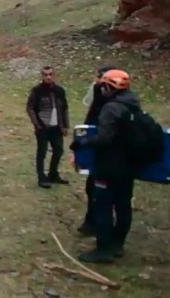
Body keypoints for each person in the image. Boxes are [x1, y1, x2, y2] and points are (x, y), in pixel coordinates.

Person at [71, 70, 141, 264]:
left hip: (109, 165)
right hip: (128, 165)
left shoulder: (111, 108)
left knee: (102, 205)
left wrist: (82, 143)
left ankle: (103, 249)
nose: (101, 89)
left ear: (110, 86)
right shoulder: (133, 104)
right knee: (123, 204)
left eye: (103, 85)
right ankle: (118, 244)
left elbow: (104, 138)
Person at [76, 66, 116, 237]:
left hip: (110, 154)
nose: (98, 81)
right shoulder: (99, 93)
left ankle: (103, 231)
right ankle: (91, 221)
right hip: (98, 150)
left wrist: (85, 142)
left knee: (103, 190)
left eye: (101, 78)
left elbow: (105, 134)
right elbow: (90, 119)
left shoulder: (116, 106)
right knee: (92, 187)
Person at [27, 66, 70, 189]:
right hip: (43, 127)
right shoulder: (36, 91)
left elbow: (65, 108)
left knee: (58, 150)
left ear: (54, 75)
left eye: (50, 74)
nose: (48, 77)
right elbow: (30, 108)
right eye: (45, 74)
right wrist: (37, 124)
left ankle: (53, 174)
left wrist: (66, 125)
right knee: (42, 152)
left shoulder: (59, 90)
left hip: (57, 127)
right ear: (42, 76)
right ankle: (41, 178)